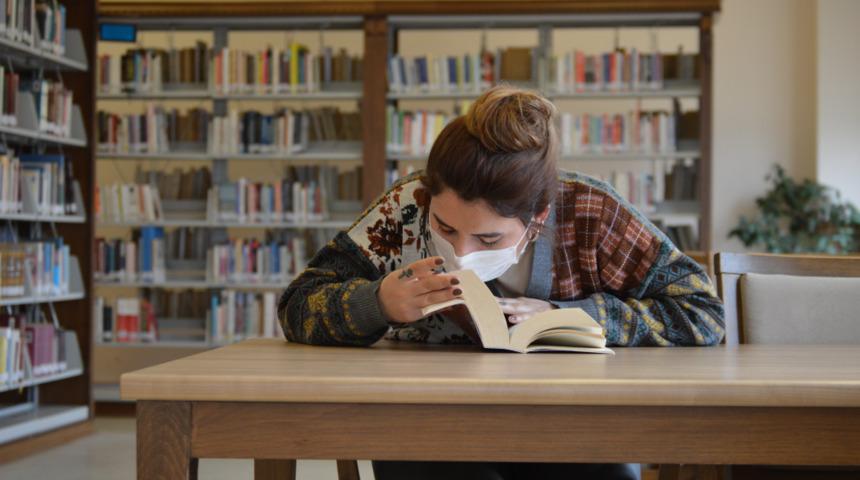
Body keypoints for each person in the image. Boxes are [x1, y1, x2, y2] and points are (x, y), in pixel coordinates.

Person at [278, 85, 725, 480]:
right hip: (429, 426)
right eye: (446, 229)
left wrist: (574, 318)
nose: (464, 254)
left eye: (489, 237)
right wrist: (377, 302)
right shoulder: (404, 208)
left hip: (569, 425)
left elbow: (702, 312)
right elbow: (297, 304)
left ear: (539, 219)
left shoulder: (592, 213)